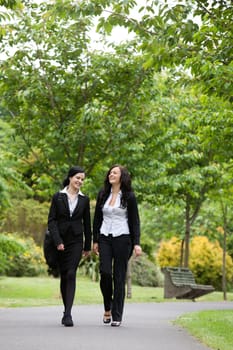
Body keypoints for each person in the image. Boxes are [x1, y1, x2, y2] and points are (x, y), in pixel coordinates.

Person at [93, 164, 142, 327]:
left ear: (122, 177)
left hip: (123, 238)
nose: (111, 174)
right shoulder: (103, 194)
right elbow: (97, 219)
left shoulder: (129, 196)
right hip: (105, 237)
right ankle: (108, 306)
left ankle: (117, 314)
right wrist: (95, 240)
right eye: (110, 172)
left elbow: (135, 221)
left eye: (115, 172)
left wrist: (137, 243)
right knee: (105, 273)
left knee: (119, 276)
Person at [48, 166, 92, 327]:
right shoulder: (58, 197)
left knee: (72, 273)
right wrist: (57, 241)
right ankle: (66, 309)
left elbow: (87, 224)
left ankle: (68, 314)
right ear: (70, 178)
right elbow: (51, 221)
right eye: (78, 178)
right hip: (60, 240)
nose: (80, 181)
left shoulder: (84, 199)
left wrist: (87, 246)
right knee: (64, 274)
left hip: (76, 241)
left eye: (82, 179)